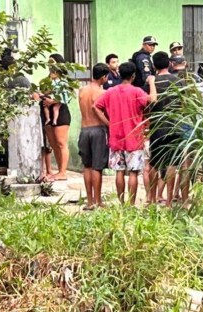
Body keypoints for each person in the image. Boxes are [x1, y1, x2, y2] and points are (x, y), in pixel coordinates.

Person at [94, 61, 149, 205]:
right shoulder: (137, 92)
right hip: (135, 138)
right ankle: (131, 204)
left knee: (119, 172)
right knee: (133, 173)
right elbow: (150, 102)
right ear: (133, 76)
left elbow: (96, 107)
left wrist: (109, 123)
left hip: (116, 138)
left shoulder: (110, 91)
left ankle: (121, 202)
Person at [146, 51, 190, 206]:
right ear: (169, 64)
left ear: (154, 65)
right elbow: (185, 104)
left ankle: (151, 199)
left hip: (157, 128)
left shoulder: (152, 82)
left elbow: (147, 105)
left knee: (154, 163)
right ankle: (170, 201)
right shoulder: (179, 82)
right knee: (173, 163)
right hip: (174, 125)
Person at [77, 63, 110, 209]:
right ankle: (98, 201)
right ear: (103, 77)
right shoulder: (102, 93)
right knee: (97, 167)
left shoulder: (82, 90)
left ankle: (89, 201)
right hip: (98, 129)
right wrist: (110, 125)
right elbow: (104, 112)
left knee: (87, 166)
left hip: (84, 129)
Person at [39, 55, 73, 181]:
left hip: (60, 111)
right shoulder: (45, 80)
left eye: (52, 62)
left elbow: (67, 98)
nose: (50, 65)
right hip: (47, 112)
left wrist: (53, 101)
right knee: (53, 143)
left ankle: (63, 171)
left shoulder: (65, 80)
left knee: (61, 142)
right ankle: (58, 170)